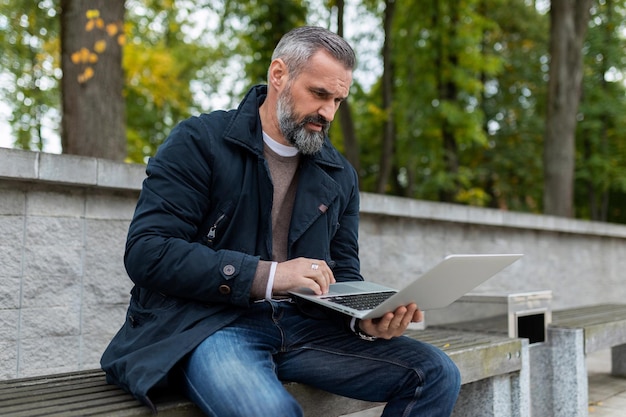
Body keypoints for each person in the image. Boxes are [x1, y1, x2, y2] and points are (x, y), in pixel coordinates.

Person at [101, 26, 461, 416]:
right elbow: (147, 252)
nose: (328, 112)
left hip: (305, 328)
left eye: (339, 100)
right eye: (319, 94)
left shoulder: (339, 175)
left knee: (436, 372)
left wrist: (365, 319)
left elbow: (343, 273)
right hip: (210, 325)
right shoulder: (199, 141)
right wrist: (270, 276)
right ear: (278, 75)